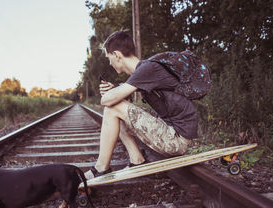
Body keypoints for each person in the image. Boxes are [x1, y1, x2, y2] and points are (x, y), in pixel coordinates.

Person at [84, 30, 198, 180]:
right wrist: (114, 92)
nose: (109, 63)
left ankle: (101, 168)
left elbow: (106, 101)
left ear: (117, 55)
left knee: (112, 108)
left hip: (178, 140)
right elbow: (123, 104)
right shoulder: (144, 70)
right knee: (116, 105)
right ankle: (136, 159)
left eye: (109, 57)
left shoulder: (147, 70)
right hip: (175, 132)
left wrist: (112, 95)